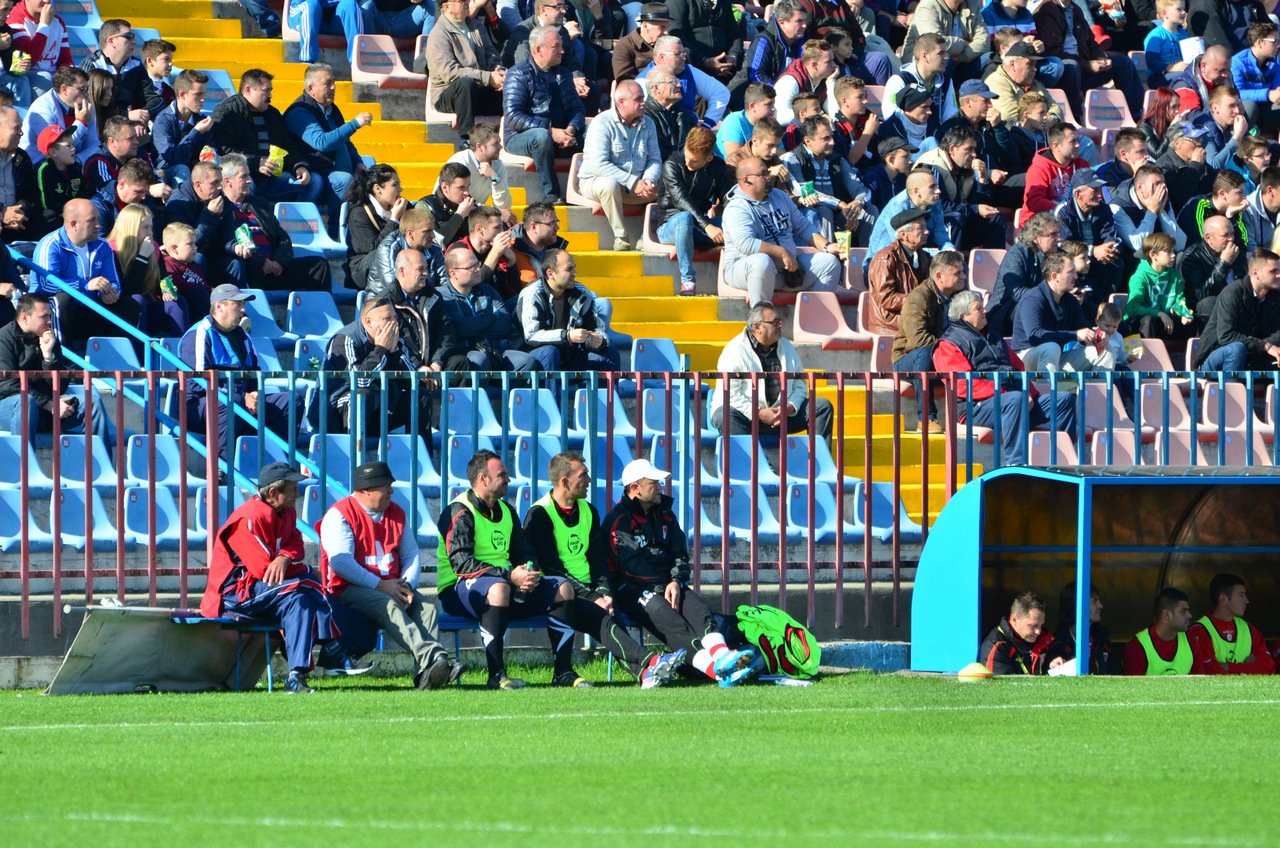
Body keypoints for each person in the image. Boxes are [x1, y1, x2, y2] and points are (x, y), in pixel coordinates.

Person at [523, 452, 687, 689]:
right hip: (558, 594)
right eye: (583, 475)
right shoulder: (539, 514)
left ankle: (646, 675)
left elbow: (599, 562)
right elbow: (551, 569)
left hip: (591, 592)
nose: (589, 480)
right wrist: (593, 597)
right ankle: (652, 661)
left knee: (610, 615)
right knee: (604, 620)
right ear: (565, 482)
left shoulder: (589, 511)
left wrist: (603, 593)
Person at [602, 457, 762, 686]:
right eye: (653, 482)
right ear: (635, 488)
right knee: (671, 621)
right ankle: (718, 672)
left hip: (667, 585)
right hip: (629, 589)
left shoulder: (665, 514)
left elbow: (679, 553)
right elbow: (632, 566)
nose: (660, 487)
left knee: (699, 610)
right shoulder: (618, 521)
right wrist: (663, 587)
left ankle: (724, 657)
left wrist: (676, 580)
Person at [436, 449, 578, 690]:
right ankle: (496, 676)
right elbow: (462, 564)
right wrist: (510, 576)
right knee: (499, 588)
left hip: (502, 586)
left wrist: (528, 573)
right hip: (458, 590)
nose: (508, 479)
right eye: (502, 475)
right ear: (483, 479)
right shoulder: (459, 511)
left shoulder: (507, 511)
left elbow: (525, 553)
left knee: (562, 588)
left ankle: (563, 672)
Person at [318, 460, 463, 689]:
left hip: (392, 586)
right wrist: (381, 585)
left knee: (426, 609)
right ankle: (436, 658)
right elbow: (341, 564)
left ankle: (426, 677)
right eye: (385, 486)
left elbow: (411, 555)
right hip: (347, 589)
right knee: (388, 604)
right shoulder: (340, 514)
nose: (391, 492)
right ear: (367, 490)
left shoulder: (396, 513)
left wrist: (407, 585)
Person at [200, 461, 340, 694]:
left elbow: (296, 544)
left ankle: (296, 677)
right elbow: (263, 571)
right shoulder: (249, 518)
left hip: (269, 590)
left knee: (300, 601)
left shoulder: (287, 512)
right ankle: (332, 646)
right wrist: (300, 569)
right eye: (293, 489)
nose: (298, 494)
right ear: (273, 493)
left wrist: (284, 557)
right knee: (309, 580)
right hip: (235, 595)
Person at [933, 289, 1077, 465]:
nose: (984, 311)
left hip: (1011, 401)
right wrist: (1006, 393)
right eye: (978, 308)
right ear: (963, 316)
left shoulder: (995, 338)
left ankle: (1062, 462)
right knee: (1015, 399)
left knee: (1063, 400)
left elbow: (1019, 368)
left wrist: (1030, 394)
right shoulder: (948, 344)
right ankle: (1016, 464)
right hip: (974, 409)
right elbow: (962, 385)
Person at [178, 284, 305, 457]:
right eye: (237, 304)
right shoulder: (199, 333)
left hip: (237, 401)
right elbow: (200, 381)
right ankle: (222, 466)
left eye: (243, 304)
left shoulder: (243, 335)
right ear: (219, 306)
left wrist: (253, 394)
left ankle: (279, 463)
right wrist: (242, 395)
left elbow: (253, 372)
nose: (243, 310)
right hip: (198, 406)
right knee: (231, 400)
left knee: (291, 401)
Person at [721, 156, 843, 306]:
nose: (769, 177)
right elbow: (746, 244)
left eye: (768, 172)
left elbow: (803, 226)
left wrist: (828, 246)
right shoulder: (737, 207)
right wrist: (782, 253)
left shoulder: (779, 196)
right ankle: (761, 315)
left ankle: (813, 315)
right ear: (746, 180)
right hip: (745, 270)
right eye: (763, 174)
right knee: (761, 262)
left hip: (787, 271)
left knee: (829, 263)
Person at [710, 301, 835, 442]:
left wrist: (790, 406)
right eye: (775, 322)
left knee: (822, 407)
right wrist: (758, 412)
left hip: (780, 416)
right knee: (725, 414)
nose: (780, 325)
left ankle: (817, 456)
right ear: (757, 327)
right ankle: (750, 457)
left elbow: (800, 384)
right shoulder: (734, 351)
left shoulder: (787, 346)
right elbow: (731, 395)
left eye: (780, 321)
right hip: (746, 416)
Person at [206, 154, 331, 291]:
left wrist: (278, 262)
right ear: (227, 181)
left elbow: (283, 238)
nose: (249, 180)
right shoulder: (218, 208)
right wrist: (261, 261)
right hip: (249, 268)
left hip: (273, 268)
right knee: (241, 263)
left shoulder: (260, 205)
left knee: (319, 265)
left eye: (249, 175)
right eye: (244, 176)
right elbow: (221, 245)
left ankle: (316, 305)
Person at [0, 293, 113, 441]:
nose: (49, 321)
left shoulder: (49, 338)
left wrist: (49, 358)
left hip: (45, 406)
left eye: (50, 316)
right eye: (44, 317)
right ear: (24, 317)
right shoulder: (3, 339)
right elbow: (8, 384)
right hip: (11, 407)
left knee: (92, 403)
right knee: (26, 402)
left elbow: (61, 386)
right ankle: (24, 457)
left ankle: (99, 456)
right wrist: (48, 404)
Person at [210, 69, 325, 209]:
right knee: (244, 185)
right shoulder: (227, 113)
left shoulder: (273, 115)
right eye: (265, 91)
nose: (270, 96)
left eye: (271, 90)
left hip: (273, 178)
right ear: (248, 90)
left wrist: (299, 165)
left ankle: (292, 219)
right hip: (244, 177)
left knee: (315, 182)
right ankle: (253, 219)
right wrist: (255, 163)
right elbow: (224, 151)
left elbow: (288, 145)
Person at [322, 296, 436, 434]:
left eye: (395, 318)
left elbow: (412, 380)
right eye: (387, 319)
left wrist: (394, 353)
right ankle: (353, 446)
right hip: (338, 411)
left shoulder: (395, 338)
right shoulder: (345, 339)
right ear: (368, 322)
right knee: (361, 395)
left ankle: (420, 447)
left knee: (420, 396)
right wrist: (381, 349)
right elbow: (359, 381)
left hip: (379, 406)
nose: (394, 323)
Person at [31, 198, 135, 345]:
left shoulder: (102, 246)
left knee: (130, 304)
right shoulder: (51, 244)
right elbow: (45, 285)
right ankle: (62, 355)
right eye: (92, 220)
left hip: (89, 307)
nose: (98, 224)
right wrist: (85, 285)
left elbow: (114, 281)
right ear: (74, 224)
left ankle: (117, 355)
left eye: (98, 219)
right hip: (60, 311)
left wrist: (109, 292)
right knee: (63, 300)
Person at [283, 62, 371, 232]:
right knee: (342, 180)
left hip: (335, 170)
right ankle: (336, 231)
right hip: (316, 172)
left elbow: (345, 141)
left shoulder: (331, 109)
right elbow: (321, 142)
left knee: (374, 173)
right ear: (311, 88)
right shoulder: (300, 112)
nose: (333, 87)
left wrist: (358, 162)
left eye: (334, 82)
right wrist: (355, 124)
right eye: (328, 83)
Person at [502, 26, 585, 205]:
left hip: (561, 133)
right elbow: (513, 117)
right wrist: (550, 130)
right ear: (539, 49)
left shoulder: (564, 74)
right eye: (556, 46)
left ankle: (587, 190)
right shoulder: (518, 74)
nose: (562, 51)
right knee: (541, 137)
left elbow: (577, 109)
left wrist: (570, 129)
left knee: (594, 133)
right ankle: (552, 195)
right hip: (521, 136)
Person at [578, 80, 660, 252]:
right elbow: (598, 165)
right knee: (609, 184)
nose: (643, 103)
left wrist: (649, 180)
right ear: (621, 102)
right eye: (638, 99)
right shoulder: (601, 123)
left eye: (643, 98)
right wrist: (633, 182)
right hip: (595, 182)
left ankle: (646, 237)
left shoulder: (649, 123)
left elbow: (655, 159)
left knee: (671, 182)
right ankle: (621, 237)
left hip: (637, 186)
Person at [892, 249, 968, 432]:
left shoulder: (959, 296)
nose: (964, 277)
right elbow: (918, 340)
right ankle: (926, 418)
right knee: (926, 352)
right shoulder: (918, 298)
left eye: (963, 272)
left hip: (943, 356)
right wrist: (950, 349)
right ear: (939, 276)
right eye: (957, 273)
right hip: (908, 359)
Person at [1034, 0, 1143, 122]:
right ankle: (1075, 121)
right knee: (1072, 67)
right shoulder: (1047, 10)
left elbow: (1090, 41)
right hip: (1065, 73)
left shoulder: (1075, 9)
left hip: (1083, 66)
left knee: (1122, 62)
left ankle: (1136, 117)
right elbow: (1054, 52)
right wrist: (1087, 65)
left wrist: (1100, 57)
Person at [657, 126, 733, 295]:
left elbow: (728, 198)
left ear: (709, 158)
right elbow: (681, 201)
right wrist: (707, 226)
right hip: (671, 224)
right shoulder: (671, 165)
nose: (687, 163)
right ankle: (688, 280)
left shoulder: (718, 166)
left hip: (699, 226)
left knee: (736, 221)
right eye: (686, 156)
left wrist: (726, 218)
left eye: (694, 161)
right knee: (684, 217)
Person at [516, 248, 618, 372]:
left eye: (574, 268)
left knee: (610, 355)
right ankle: (551, 386)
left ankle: (604, 387)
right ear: (550, 273)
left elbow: (596, 328)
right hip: (533, 355)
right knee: (550, 353)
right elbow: (531, 336)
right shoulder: (532, 293)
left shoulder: (582, 293)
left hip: (570, 356)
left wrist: (599, 341)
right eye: (569, 269)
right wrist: (567, 336)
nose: (575, 273)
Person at [438, 245, 537, 371]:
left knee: (526, 361)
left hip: (495, 351)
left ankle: (503, 385)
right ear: (453, 273)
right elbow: (460, 329)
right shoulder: (443, 296)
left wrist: (474, 325)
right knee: (479, 359)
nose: (477, 269)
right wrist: (490, 318)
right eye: (471, 267)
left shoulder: (487, 290)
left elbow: (505, 325)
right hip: (466, 353)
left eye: (477, 264)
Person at [781, 113, 873, 243]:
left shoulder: (837, 160)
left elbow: (863, 191)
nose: (832, 142)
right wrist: (840, 204)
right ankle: (827, 252)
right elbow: (804, 193)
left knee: (870, 210)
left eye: (832, 136)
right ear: (808, 141)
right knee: (824, 210)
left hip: (840, 216)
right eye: (826, 138)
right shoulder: (792, 159)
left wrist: (858, 203)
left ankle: (867, 254)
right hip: (807, 220)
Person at [1011, 250, 1109, 372]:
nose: (1076, 276)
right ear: (1055, 276)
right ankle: (1046, 385)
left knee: (1104, 351)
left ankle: (1098, 385)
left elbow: (1084, 330)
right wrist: (1075, 335)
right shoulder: (1033, 299)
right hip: (1025, 359)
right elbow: (1035, 336)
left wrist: (1097, 337)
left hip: (1055, 358)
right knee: (1051, 348)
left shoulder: (1070, 301)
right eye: (1070, 272)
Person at [915, 124, 1004, 251]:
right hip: (931, 227)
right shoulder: (933, 167)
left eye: (975, 149)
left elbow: (979, 205)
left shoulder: (964, 167)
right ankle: (951, 260)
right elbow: (938, 206)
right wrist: (975, 209)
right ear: (952, 149)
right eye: (969, 149)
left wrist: (983, 180)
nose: (974, 154)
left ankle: (994, 263)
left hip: (961, 221)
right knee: (955, 218)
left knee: (995, 219)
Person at [425, 0, 505, 142]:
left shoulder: (476, 26)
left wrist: (499, 72)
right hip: (448, 93)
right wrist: (487, 77)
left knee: (514, 85)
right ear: (446, 6)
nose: (467, 1)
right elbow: (450, 73)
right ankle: (466, 140)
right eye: (461, 0)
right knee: (465, 84)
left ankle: (517, 134)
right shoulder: (438, 34)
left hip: (480, 88)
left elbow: (491, 54)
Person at [108, 202, 187, 338]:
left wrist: (167, 290)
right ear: (131, 228)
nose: (150, 232)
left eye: (151, 227)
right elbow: (127, 290)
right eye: (145, 227)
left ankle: (181, 349)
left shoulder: (153, 247)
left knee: (178, 302)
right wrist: (142, 257)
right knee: (137, 300)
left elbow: (163, 279)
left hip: (148, 307)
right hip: (121, 313)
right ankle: (141, 350)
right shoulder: (111, 250)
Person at [1193, 248, 1280, 372]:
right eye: (1273, 271)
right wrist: (1265, 346)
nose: (1279, 275)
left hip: (1252, 355)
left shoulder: (1275, 296)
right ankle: (1232, 385)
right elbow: (1226, 336)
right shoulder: (1233, 293)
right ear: (1255, 273)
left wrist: (1266, 346)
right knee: (1236, 349)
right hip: (1218, 356)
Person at [383, 247, 467, 372]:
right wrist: (417, 367)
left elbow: (446, 331)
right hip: (404, 368)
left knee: (460, 363)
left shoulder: (433, 297)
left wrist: (437, 361)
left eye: (426, 268)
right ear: (402, 271)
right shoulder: (385, 303)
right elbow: (392, 343)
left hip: (432, 365)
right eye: (420, 269)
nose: (426, 273)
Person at [865, 170, 954, 275]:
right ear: (916, 191)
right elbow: (903, 248)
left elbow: (941, 234)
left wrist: (949, 249)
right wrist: (942, 254)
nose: (938, 191)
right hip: (883, 268)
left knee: (955, 264)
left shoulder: (935, 203)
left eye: (937, 186)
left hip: (915, 262)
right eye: (932, 187)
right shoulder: (897, 207)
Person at [988, 212, 1062, 336]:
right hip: (1006, 311)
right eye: (1053, 234)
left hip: (1044, 303)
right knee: (1032, 306)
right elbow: (1016, 293)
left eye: (1058, 233)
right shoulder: (1017, 253)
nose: (1058, 239)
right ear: (1036, 238)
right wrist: (1050, 297)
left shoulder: (1059, 254)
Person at [1187, 573, 1276, 675]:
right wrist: (1246, 667)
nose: (1246, 601)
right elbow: (1208, 671)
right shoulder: (1200, 630)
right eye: (1241, 595)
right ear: (1224, 599)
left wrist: (1228, 666)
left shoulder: (1248, 628)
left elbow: (1269, 667)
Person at [638, 34, 731, 128]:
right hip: (657, 131)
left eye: (684, 53)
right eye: (678, 54)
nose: (684, 58)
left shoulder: (690, 71)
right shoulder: (642, 82)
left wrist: (707, 124)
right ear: (662, 57)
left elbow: (721, 92)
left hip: (688, 130)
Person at [866, 206, 931, 336]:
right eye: (920, 228)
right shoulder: (885, 259)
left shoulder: (924, 256)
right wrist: (920, 299)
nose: (927, 231)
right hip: (891, 326)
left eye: (926, 227)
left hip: (915, 320)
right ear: (903, 234)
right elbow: (887, 299)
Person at [438, 122, 515, 228]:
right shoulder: (460, 161)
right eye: (495, 144)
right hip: (450, 217)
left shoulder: (497, 165)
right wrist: (492, 212)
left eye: (500, 142)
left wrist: (495, 178)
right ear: (480, 147)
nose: (500, 147)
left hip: (474, 216)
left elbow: (504, 206)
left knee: (506, 223)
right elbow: (459, 202)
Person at [1122, 232, 1194, 341]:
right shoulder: (1140, 277)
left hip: (1166, 322)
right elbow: (1133, 308)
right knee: (1148, 320)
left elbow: (1179, 300)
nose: (1173, 255)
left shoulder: (1174, 275)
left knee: (1195, 321)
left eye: (1173, 251)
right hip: (1142, 325)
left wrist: (1184, 312)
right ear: (1153, 255)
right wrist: (1159, 313)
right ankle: (1148, 352)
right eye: (1168, 251)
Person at [1123, 587, 1211, 675]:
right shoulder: (1137, 646)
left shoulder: (1191, 641)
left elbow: (1200, 681)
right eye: (1183, 611)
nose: (1189, 615)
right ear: (1167, 615)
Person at [1109, 164, 1185, 265]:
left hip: (1161, 253)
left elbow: (1179, 245)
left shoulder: (1162, 199)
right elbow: (1137, 245)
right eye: (1157, 184)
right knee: (1140, 255)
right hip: (1134, 262)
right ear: (1140, 187)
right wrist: (1152, 212)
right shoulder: (1118, 206)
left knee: (1181, 256)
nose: (1163, 188)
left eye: (1164, 183)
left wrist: (1161, 212)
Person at [344, 164, 406, 287]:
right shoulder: (359, 213)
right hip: (362, 270)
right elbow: (372, 248)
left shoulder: (403, 206)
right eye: (395, 185)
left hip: (395, 263)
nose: (400, 189)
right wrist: (394, 220)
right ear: (378, 189)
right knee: (382, 254)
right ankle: (395, 291)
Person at [1178, 214, 1245, 328]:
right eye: (1225, 235)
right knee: (1210, 302)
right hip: (1206, 310)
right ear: (1208, 238)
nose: (1231, 239)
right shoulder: (1193, 256)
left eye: (1232, 234)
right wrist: (1223, 264)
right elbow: (1199, 295)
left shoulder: (1236, 252)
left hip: (1236, 303)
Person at [20, 66, 96, 166]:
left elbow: (94, 144)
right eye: (83, 89)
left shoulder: (85, 105)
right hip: (39, 166)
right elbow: (57, 150)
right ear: (64, 89)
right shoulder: (42, 108)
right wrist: (81, 123)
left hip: (70, 164)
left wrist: (78, 160)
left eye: (87, 89)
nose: (87, 94)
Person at [901, 0, 990, 85]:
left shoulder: (971, 4)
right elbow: (934, 43)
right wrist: (962, 43)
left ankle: (973, 93)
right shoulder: (927, 6)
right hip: (928, 68)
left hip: (962, 62)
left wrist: (961, 57)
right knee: (944, 58)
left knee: (988, 58)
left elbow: (984, 42)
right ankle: (942, 93)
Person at [153, 69, 214, 186]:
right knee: (182, 170)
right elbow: (173, 159)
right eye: (198, 94)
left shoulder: (202, 120)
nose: (203, 99)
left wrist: (211, 156)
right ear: (182, 94)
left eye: (204, 94)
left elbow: (210, 147)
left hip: (196, 170)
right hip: (168, 172)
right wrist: (196, 132)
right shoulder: (162, 121)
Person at [732, 0, 808, 93]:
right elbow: (756, 75)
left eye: (805, 21)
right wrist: (780, 91)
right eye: (799, 21)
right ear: (781, 22)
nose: (804, 25)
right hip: (754, 96)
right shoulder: (763, 41)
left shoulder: (802, 40)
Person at [882, 32, 957, 126]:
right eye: (940, 53)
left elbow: (951, 119)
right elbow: (892, 119)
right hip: (907, 135)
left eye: (946, 53)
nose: (946, 57)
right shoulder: (898, 81)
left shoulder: (946, 81)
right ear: (925, 56)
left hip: (938, 135)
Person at [978, 591, 1061, 675]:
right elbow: (1001, 683)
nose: (1038, 631)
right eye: (1033, 626)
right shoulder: (996, 647)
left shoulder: (1044, 639)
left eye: (1041, 625)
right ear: (1014, 620)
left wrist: (1052, 664)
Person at [1045, 581, 1120, 674]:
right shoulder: (1056, 645)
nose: (1100, 606)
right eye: (1095, 601)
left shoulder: (1103, 642)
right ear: (1078, 604)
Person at [664, 0, 745, 85]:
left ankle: (731, 92)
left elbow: (735, 34)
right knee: (685, 52)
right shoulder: (678, 2)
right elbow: (676, 36)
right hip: (695, 64)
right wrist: (705, 61)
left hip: (725, 65)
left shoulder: (723, 2)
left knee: (748, 60)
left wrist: (733, 56)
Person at [1021, 122, 1090, 216]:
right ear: (1056, 146)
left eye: (1078, 140)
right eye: (1073, 141)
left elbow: (1092, 192)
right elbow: (1034, 201)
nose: (1078, 145)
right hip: (1041, 220)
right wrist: (1063, 209)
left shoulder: (1082, 165)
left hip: (1072, 218)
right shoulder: (1039, 168)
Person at [452, 206, 519, 301]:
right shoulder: (459, 251)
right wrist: (495, 253)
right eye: (497, 227)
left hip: (500, 303)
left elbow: (513, 290)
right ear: (479, 229)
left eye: (502, 226)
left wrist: (512, 260)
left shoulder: (496, 248)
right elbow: (474, 287)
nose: (502, 232)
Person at [7, 0, 71, 97]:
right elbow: (29, 59)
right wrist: (44, 25)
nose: (47, 1)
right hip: (26, 74)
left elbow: (65, 60)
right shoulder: (14, 18)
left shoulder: (58, 22)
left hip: (54, 75)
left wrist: (69, 76)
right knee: (46, 79)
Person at [1176, 168, 1249, 249]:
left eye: (1244, 192)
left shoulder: (1235, 209)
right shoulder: (1199, 206)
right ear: (1222, 194)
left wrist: (1230, 217)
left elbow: (1243, 245)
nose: (1244, 196)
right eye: (1239, 192)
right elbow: (1203, 244)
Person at [772, 39, 836, 127]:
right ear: (814, 65)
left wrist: (831, 81)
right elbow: (780, 117)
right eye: (828, 62)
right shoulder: (790, 81)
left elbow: (834, 115)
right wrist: (815, 116)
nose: (834, 65)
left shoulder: (825, 80)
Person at [1153, 120, 1211, 215]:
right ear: (1177, 144)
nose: (1199, 144)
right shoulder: (1163, 166)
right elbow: (1178, 199)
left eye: (1200, 139)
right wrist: (1195, 166)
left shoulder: (1198, 160)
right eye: (1194, 140)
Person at [1229, 22, 1280, 131]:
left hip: (1265, 110)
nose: (1278, 45)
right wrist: (1268, 94)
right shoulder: (1237, 63)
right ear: (1259, 43)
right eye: (1275, 41)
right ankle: (1241, 138)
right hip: (1245, 112)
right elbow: (1238, 94)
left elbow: (1276, 90)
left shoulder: (1275, 65)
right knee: (1250, 106)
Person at [34, 125, 82, 233]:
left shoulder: (75, 169)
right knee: (50, 216)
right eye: (68, 146)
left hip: (74, 215)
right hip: (53, 219)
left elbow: (83, 194)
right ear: (53, 153)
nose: (73, 148)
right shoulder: (44, 170)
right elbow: (46, 203)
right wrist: (69, 211)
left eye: (73, 144)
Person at [287, 0, 365, 66]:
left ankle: (357, 63)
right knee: (311, 5)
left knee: (350, 5)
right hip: (306, 14)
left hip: (334, 17)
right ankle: (307, 63)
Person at [0, 106, 37, 242]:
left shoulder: (22, 158)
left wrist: (19, 212)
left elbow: (31, 194)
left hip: (18, 222)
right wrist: (2, 212)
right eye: (16, 128)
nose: (21, 133)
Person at [644, 68, 698, 162]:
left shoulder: (685, 116)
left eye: (678, 81)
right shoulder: (644, 116)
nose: (679, 85)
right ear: (656, 88)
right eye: (673, 81)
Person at [116, 37, 176, 121]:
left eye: (171, 60)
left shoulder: (170, 92)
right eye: (166, 59)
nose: (171, 64)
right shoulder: (135, 87)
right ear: (150, 61)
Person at [511, 201, 569, 285]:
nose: (557, 227)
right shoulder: (511, 249)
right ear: (534, 227)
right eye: (552, 223)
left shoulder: (557, 248)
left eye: (556, 222)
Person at [716, 83, 776, 161]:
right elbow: (736, 160)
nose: (773, 108)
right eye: (768, 104)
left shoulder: (769, 123)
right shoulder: (734, 121)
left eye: (773, 104)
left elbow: (781, 153)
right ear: (753, 106)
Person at [613, 3, 671, 82]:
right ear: (645, 26)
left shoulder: (670, 44)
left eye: (667, 27)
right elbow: (625, 81)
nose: (666, 32)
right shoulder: (625, 46)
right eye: (662, 27)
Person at [1145, 0, 1191, 88]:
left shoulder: (1185, 34)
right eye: (1179, 9)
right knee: (1184, 82)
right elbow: (1151, 62)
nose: (1184, 12)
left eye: (1184, 9)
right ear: (1165, 13)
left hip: (1184, 74)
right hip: (1161, 76)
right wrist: (1169, 67)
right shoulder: (1156, 36)